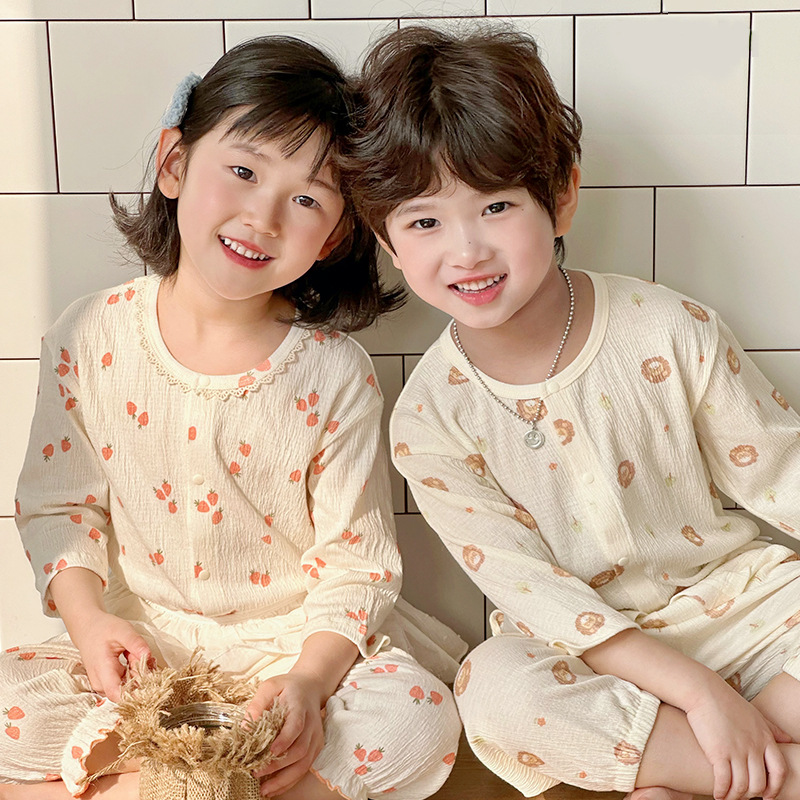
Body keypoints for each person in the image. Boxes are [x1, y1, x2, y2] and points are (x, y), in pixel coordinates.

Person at [1, 36, 464, 800]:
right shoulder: (89, 336)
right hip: (145, 647)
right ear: (174, 163)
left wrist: (308, 682)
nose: (263, 216)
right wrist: (90, 624)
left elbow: (357, 563)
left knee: (417, 718)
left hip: (288, 649)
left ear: (335, 235)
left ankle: (189, 783)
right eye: (244, 172)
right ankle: (196, 782)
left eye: (306, 199)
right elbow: (60, 508)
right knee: (10, 710)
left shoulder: (334, 372)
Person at [346, 23, 800, 800]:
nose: (466, 251)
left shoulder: (667, 328)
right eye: (424, 221)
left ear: (560, 199)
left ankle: (687, 771)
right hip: (586, 658)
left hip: (744, 611)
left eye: (495, 206)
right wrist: (699, 695)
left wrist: (718, 691)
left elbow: (782, 471)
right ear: (389, 245)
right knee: (493, 689)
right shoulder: (428, 420)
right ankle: (763, 771)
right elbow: (533, 593)